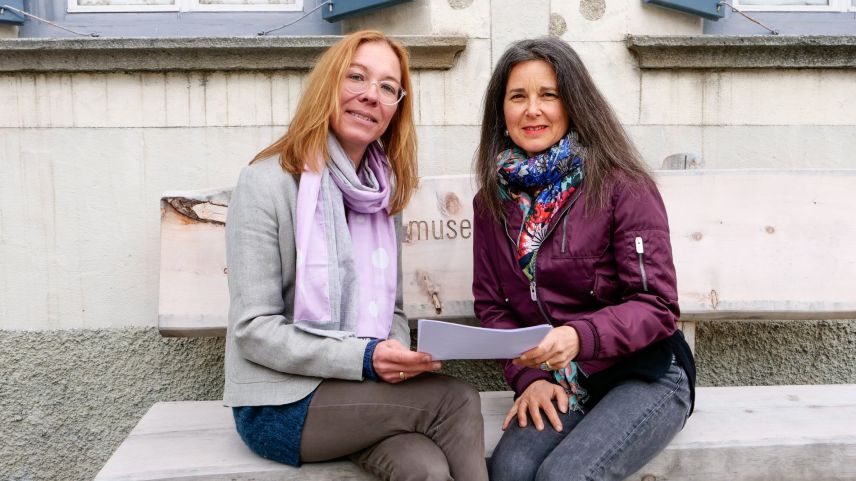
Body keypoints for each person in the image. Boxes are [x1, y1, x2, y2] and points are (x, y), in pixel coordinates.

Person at [223, 30, 488, 481]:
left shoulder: (383, 196)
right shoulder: (266, 183)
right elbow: (253, 330)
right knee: (456, 399)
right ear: (329, 85)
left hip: (361, 394)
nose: (371, 96)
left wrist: (396, 355)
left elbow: (395, 312)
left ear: (396, 109)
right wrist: (365, 358)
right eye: (357, 77)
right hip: (281, 403)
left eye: (388, 87)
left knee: (424, 467)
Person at [472, 37, 696, 481]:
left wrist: (580, 335)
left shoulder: (621, 186)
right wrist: (527, 380)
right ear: (502, 112)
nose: (532, 109)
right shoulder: (491, 203)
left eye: (548, 95)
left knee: (567, 476)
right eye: (518, 97)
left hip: (645, 371)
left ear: (574, 104)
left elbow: (656, 306)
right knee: (510, 469)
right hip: (559, 380)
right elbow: (493, 307)